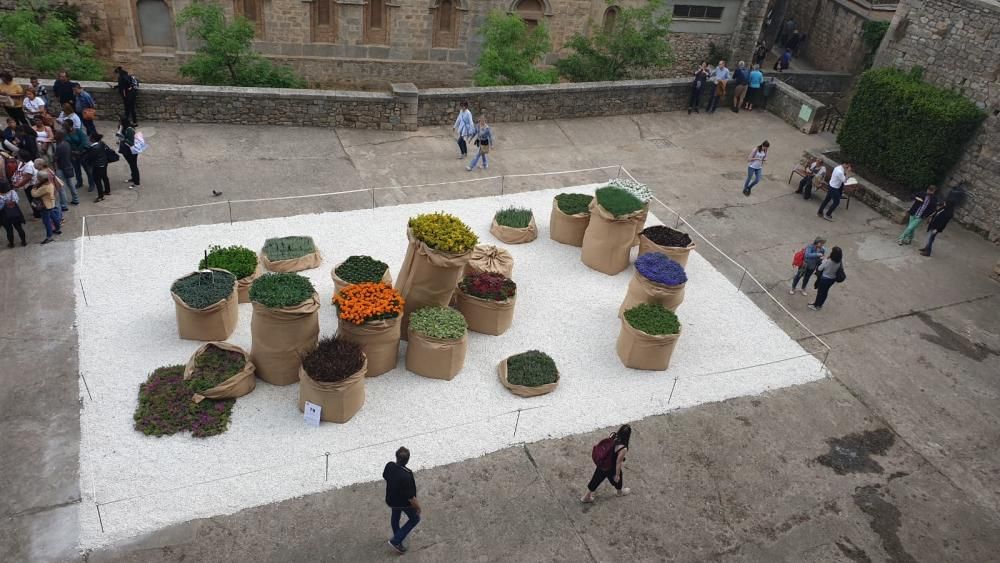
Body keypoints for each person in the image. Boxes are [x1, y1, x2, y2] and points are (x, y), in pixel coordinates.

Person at [581, 424, 632, 503]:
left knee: (596, 479)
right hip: (611, 467)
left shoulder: (613, 435)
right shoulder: (623, 448)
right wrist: (617, 475)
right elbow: (618, 462)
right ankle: (619, 492)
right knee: (618, 478)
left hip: (603, 462)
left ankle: (586, 497)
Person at [383, 447, 420, 554]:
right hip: (403, 503)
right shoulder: (407, 475)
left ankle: (398, 540)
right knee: (415, 519)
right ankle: (396, 541)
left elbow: (385, 476)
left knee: (395, 517)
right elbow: (411, 497)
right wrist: (418, 508)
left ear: (396, 456)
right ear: (407, 460)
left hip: (391, 499)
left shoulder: (389, 465)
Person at [29, 170, 60, 244]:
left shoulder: (44, 187)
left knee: (47, 221)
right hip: (51, 203)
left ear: (41, 179)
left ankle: (49, 237)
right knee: (54, 216)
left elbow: (34, 194)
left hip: (45, 205)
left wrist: (33, 188)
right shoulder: (50, 184)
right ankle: (58, 229)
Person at [808, 246, 843, 311]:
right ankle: (820, 305)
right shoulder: (839, 262)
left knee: (820, 292)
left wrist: (823, 260)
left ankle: (815, 305)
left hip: (824, 279)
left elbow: (819, 268)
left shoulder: (828, 261)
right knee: (825, 292)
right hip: (832, 279)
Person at [64, 121, 94, 194]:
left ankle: (91, 184)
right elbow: (65, 143)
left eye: (65, 125)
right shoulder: (64, 133)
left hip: (82, 153)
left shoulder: (78, 131)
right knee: (77, 169)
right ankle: (79, 182)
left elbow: (84, 141)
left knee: (88, 170)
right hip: (72, 154)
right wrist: (72, 152)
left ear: (70, 125)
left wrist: (79, 151)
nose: (64, 126)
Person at [83, 133, 111, 202]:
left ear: (93, 139)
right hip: (104, 163)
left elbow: (90, 158)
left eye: (90, 137)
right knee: (104, 177)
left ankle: (100, 196)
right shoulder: (101, 143)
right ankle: (107, 190)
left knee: (97, 180)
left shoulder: (93, 148)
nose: (89, 138)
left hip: (97, 166)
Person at [52, 130, 78, 205]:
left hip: (61, 168)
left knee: (61, 187)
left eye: (56, 134)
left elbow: (55, 158)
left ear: (59, 136)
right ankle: (75, 199)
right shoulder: (67, 144)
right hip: (68, 166)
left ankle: (64, 204)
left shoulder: (59, 146)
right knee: (71, 184)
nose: (54, 135)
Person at [0, 179, 27, 247]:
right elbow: (17, 201)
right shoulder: (12, 192)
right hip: (15, 212)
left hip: (4, 215)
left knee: (9, 230)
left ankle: (11, 244)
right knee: (19, 228)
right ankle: (24, 242)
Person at [116, 115, 140, 188]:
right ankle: (133, 178)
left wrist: (123, 139)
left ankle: (136, 182)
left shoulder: (129, 130)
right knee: (131, 165)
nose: (119, 122)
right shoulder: (123, 128)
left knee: (133, 165)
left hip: (131, 151)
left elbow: (131, 142)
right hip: (126, 150)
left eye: (120, 121)